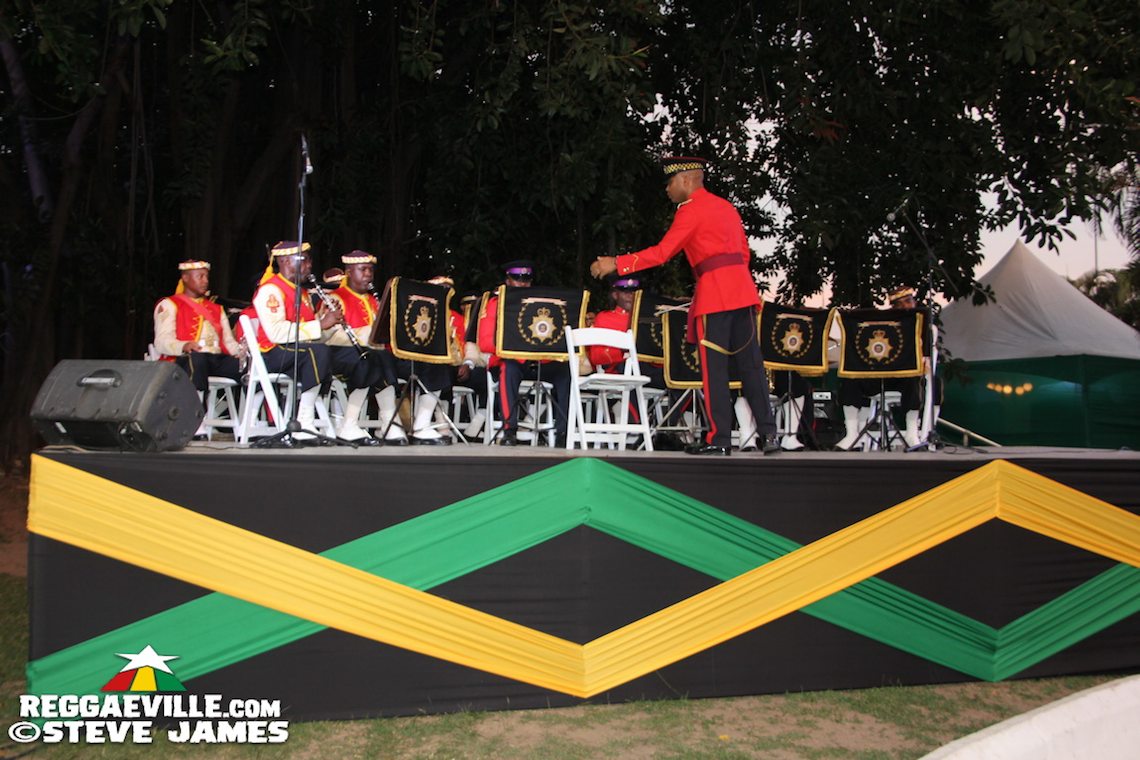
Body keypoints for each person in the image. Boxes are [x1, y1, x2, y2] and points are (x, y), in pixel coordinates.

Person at [590, 156, 778, 455]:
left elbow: (663, 253)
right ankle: (769, 436)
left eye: (670, 182)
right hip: (742, 292)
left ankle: (719, 439)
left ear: (687, 180)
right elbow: (744, 253)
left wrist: (617, 263)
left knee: (714, 370)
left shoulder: (690, 210)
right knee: (751, 367)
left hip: (715, 295)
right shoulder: (726, 207)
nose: (667, 188)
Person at [251, 241, 340, 440]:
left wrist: (331, 324)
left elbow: (311, 334)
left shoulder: (303, 293)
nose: (309, 266)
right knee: (318, 353)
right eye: (304, 260)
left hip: (296, 353)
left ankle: (305, 418)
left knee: (322, 351)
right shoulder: (271, 290)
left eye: (309, 260)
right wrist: (320, 325)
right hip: (272, 353)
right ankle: (304, 421)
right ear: (284, 261)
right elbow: (276, 333)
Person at [477, 260, 571, 446]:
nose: (522, 283)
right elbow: (485, 340)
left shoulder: (537, 303)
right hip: (513, 361)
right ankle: (509, 429)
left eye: (526, 280)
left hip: (541, 362)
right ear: (508, 280)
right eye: (517, 279)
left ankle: (563, 432)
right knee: (508, 368)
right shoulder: (496, 303)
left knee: (565, 371)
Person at [834, 286, 940, 450]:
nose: (905, 306)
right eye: (899, 304)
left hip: (903, 377)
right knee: (850, 380)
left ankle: (912, 434)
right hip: (877, 376)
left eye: (908, 301)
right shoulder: (884, 325)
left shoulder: (922, 326)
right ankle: (851, 434)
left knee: (912, 381)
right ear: (893, 308)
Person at [153, 259, 246, 435]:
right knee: (197, 359)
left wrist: (244, 353)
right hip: (182, 360)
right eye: (200, 276)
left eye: (206, 277)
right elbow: (162, 341)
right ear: (186, 278)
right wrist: (184, 345)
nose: (205, 281)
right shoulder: (169, 304)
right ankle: (194, 418)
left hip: (214, 359)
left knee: (249, 367)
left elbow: (228, 342)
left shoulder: (216, 309)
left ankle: (257, 421)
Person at [322, 251, 388, 444]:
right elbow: (328, 336)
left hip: (367, 352)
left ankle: (389, 422)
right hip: (338, 354)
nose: (368, 274)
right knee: (366, 361)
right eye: (363, 269)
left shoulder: (373, 300)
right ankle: (349, 423)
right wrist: (365, 336)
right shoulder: (336, 297)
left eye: (371, 270)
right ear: (349, 272)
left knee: (385, 360)